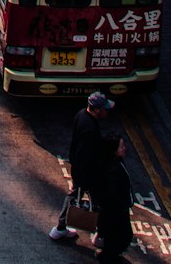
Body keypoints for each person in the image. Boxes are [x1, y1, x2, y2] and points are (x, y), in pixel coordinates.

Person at [50, 90, 115, 241]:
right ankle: (100, 235)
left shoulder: (81, 115)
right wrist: (84, 178)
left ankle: (61, 228)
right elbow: (85, 155)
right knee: (98, 201)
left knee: (73, 196)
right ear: (97, 109)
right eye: (105, 109)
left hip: (80, 170)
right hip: (87, 173)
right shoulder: (90, 129)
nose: (107, 112)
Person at [94, 134, 134, 263]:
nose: (124, 148)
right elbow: (112, 193)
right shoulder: (114, 169)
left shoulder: (113, 162)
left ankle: (108, 254)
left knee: (115, 235)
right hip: (116, 210)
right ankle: (108, 257)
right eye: (121, 146)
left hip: (113, 209)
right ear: (113, 150)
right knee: (123, 235)